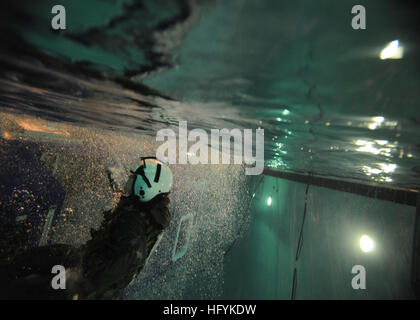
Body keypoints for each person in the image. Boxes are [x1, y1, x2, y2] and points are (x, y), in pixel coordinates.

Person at [0, 157, 173, 300]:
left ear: (145, 189)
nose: (129, 181)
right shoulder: (146, 210)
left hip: (86, 284)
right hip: (87, 259)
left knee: (27, 288)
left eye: (133, 179)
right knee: (41, 256)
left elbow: (125, 258)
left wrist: (81, 287)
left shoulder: (133, 223)